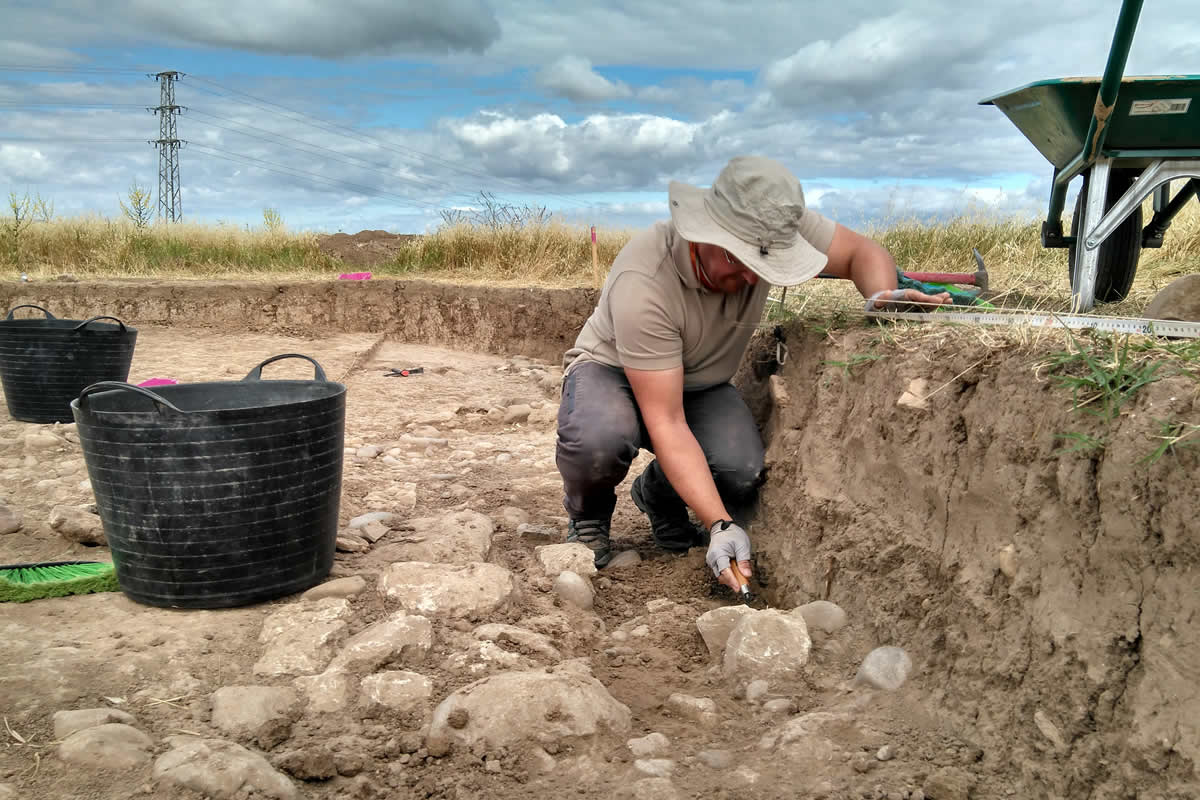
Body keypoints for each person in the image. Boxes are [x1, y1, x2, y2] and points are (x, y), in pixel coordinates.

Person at [554, 155, 950, 592]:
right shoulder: (645, 280)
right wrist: (721, 525)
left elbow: (862, 252)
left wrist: (880, 297)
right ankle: (588, 518)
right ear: (702, 233)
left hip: (699, 381)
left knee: (739, 468)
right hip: (611, 372)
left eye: (762, 264)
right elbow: (666, 422)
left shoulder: (773, 224)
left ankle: (656, 495)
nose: (750, 276)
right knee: (600, 437)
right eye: (739, 259)